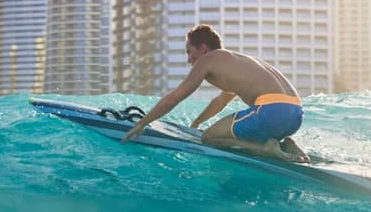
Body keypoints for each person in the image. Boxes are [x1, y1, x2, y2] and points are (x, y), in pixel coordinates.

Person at [120, 24, 310, 163]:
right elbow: (222, 100)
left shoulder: (208, 60)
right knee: (238, 127)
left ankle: (266, 149)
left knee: (209, 137)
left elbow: (174, 98)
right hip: (295, 115)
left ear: (203, 48)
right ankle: (286, 143)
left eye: (189, 52)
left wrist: (142, 124)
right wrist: (197, 123)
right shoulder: (237, 61)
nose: (189, 60)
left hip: (271, 112)